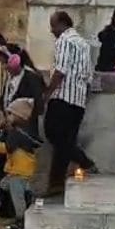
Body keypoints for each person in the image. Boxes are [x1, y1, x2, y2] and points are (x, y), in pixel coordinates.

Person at [0, 32, 44, 227]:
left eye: (6, 63)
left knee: (9, 176)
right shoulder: (11, 78)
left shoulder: (30, 77)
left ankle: (13, 213)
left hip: (22, 133)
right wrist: (1, 113)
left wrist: (17, 117)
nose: (3, 67)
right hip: (8, 129)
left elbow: (37, 105)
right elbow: (3, 100)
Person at [43, 11, 96, 196]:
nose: (52, 30)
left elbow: (61, 70)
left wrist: (47, 93)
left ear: (63, 24)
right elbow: (89, 76)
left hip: (63, 96)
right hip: (78, 100)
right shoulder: (83, 43)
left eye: (53, 25)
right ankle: (56, 184)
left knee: (53, 133)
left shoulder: (64, 40)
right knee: (65, 142)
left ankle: (84, 161)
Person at [0, 98, 40, 229]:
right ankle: (28, 194)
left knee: (17, 196)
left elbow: (8, 148)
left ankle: (21, 219)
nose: (8, 117)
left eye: (11, 114)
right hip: (18, 169)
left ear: (19, 116)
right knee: (5, 185)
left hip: (19, 171)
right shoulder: (23, 132)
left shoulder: (16, 133)